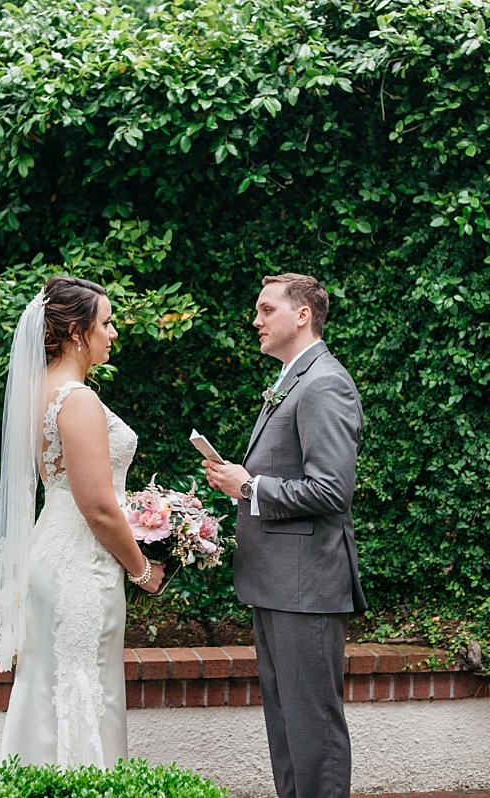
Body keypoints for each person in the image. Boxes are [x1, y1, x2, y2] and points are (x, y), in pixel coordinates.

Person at [0, 275, 164, 769]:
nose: (112, 334)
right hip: (80, 564)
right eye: (106, 324)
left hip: (51, 548)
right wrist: (142, 570)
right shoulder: (77, 398)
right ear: (75, 330)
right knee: (84, 686)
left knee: (49, 684)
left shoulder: (38, 389)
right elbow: (99, 507)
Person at [204, 273, 365, 798]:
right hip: (277, 584)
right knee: (287, 727)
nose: (256, 321)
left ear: (302, 315)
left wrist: (249, 486)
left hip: (306, 587)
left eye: (266, 309)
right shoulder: (292, 380)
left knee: (312, 728)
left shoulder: (324, 382)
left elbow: (330, 490)